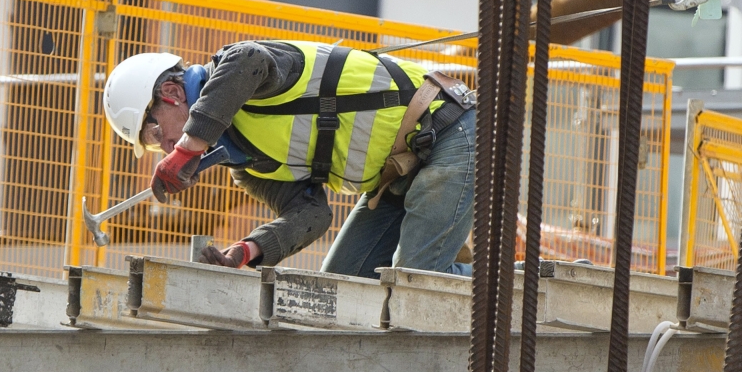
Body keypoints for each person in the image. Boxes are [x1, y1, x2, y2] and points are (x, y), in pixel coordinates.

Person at [102, 40, 475, 278]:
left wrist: (186, 149)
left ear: (170, 93)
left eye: (154, 135)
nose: (164, 149)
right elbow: (312, 214)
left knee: (418, 281)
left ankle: (524, 285)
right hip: (399, 173)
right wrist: (246, 252)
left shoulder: (238, 70)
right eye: (156, 148)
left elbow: (250, 60)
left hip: (448, 128)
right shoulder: (246, 162)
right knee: (342, 286)